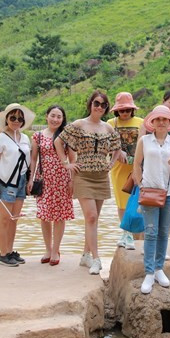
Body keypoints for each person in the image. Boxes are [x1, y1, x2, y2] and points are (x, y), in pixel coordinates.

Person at [54, 91, 121, 275]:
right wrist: (66, 163)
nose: (99, 107)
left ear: (106, 108)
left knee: (93, 219)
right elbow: (59, 142)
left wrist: (112, 163)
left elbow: (117, 147)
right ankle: (97, 259)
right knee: (91, 216)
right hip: (83, 176)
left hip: (101, 176)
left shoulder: (108, 128)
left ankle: (85, 255)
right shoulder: (79, 124)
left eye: (103, 105)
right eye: (96, 103)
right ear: (90, 104)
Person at [132, 105, 170, 294]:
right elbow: (136, 164)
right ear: (152, 122)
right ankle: (148, 272)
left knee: (163, 232)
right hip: (149, 191)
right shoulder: (144, 141)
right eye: (157, 119)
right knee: (151, 231)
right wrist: (140, 185)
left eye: (165, 119)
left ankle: (159, 268)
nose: (161, 122)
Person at [0, 103, 35, 267]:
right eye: (13, 117)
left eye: (20, 118)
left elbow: (29, 162)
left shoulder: (24, 138)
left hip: (21, 181)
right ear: (6, 119)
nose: (16, 121)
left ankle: (10, 251)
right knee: (4, 218)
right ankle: (3, 254)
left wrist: (30, 180)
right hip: (6, 182)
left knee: (14, 218)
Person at [29, 105, 73, 266]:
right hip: (44, 179)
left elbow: (72, 159)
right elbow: (33, 159)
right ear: (47, 116)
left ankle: (56, 250)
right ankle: (47, 249)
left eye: (59, 116)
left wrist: (71, 180)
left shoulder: (66, 136)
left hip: (61, 179)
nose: (55, 119)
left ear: (63, 119)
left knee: (60, 215)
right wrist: (31, 179)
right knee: (44, 215)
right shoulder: (38, 136)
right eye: (53, 115)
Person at [108, 92, 145, 250]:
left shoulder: (142, 122)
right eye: (122, 110)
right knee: (122, 202)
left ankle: (139, 236)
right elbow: (105, 144)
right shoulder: (110, 123)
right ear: (117, 111)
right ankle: (126, 233)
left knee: (138, 201)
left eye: (128, 110)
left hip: (138, 167)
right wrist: (117, 150)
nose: (125, 113)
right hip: (118, 168)